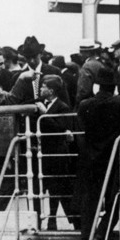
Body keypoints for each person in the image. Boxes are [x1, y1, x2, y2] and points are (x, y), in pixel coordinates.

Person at [73, 68, 120, 240]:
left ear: (97, 86)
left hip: (92, 157)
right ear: (114, 87)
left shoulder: (85, 105)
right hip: (116, 157)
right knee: (117, 195)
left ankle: (87, 234)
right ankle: (102, 232)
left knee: (90, 196)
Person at [37, 75, 77, 230]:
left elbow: (60, 129)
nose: (41, 89)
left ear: (51, 90)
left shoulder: (62, 107)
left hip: (57, 154)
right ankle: (49, 220)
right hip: (46, 153)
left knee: (58, 188)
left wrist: (44, 114)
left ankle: (57, 219)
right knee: (52, 187)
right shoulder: (42, 104)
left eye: (43, 87)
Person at [75, 39, 104, 104]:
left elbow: (83, 90)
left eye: (81, 52)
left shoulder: (87, 66)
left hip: (88, 103)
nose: (79, 54)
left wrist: (78, 102)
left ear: (88, 53)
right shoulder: (100, 63)